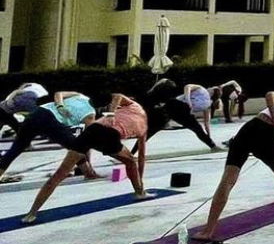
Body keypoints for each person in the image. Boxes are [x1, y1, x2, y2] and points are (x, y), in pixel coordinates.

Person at [196, 92, 274, 241]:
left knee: (228, 180)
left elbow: (269, 95)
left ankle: (208, 230)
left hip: (250, 129)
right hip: (264, 134)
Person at [21, 94, 149, 223]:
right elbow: (142, 156)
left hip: (91, 131)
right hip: (108, 135)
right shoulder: (141, 123)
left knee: (59, 174)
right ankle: (140, 192)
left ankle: (31, 214)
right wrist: (141, 181)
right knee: (131, 161)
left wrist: (110, 114)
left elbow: (116, 96)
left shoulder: (131, 107)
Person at [0, 89, 96, 178]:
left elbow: (58, 93)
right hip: (50, 119)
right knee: (75, 146)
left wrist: (60, 105)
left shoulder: (80, 95)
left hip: (36, 113)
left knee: (16, 148)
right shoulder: (90, 115)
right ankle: (88, 173)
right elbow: (87, 141)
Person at [143, 80, 221, 151]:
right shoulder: (203, 95)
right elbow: (187, 87)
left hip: (181, 109)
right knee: (153, 129)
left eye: (211, 88)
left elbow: (206, 122)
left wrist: (209, 136)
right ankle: (213, 146)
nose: (209, 87)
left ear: (212, 92)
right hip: (176, 106)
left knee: (198, 129)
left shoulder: (206, 100)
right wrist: (188, 100)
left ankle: (213, 146)